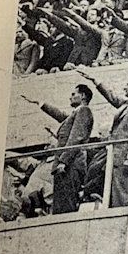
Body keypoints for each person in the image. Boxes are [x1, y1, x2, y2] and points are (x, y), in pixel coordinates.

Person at [90, 74, 128, 207]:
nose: (125, 87)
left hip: (127, 159)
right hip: (118, 158)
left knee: (124, 195)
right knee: (116, 194)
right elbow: (112, 97)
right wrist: (96, 80)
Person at [38, 84, 96, 215]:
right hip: (67, 164)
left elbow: (77, 137)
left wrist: (64, 161)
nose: (70, 97)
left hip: (70, 164)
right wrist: (41, 104)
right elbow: (63, 117)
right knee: (61, 204)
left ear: (83, 96)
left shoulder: (84, 111)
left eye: (73, 94)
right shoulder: (78, 112)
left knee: (66, 204)